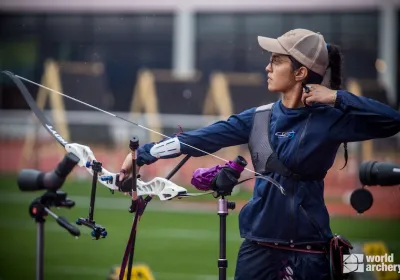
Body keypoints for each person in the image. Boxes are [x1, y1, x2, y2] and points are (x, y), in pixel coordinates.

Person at [119, 29, 400, 280]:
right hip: (257, 248)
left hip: (309, 254)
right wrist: (142, 154)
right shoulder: (259, 118)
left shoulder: (330, 119)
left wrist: (337, 97)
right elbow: (199, 139)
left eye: (277, 61)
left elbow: (391, 120)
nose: (268, 67)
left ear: (300, 73)